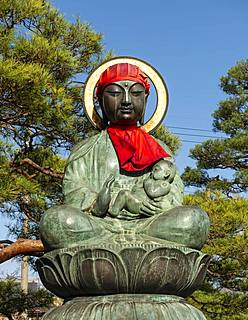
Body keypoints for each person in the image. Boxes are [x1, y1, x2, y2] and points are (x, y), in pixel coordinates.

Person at [40, 62, 210, 251]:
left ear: (145, 100)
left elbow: (174, 193)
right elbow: (74, 191)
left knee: (195, 220)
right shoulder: (86, 149)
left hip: (150, 226)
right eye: (114, 93)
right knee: (55, 220)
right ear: (101, 101)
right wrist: (105, 201)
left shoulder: (160, 150)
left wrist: (160, 205)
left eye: (136, 93)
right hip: (100, 226)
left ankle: (128, 246)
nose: (127, 100)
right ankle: (130, 248)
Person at [104, 159, 176, 217]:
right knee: (124, 193)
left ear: (166, 174)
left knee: (124, 193)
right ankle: (115, 209)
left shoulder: (165, 184)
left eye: (156, 169)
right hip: (137, 201)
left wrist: (147, 182)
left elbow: (152, 192)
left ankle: (114, 210)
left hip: (142, 205)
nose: (152, 172)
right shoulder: (152, 181)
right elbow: (135, 190)